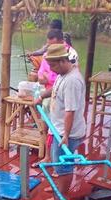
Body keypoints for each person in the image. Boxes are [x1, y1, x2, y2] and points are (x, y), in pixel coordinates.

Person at [34, 44, 86, 200]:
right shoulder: (62, 75)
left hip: (66, 133)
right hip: (57, 128)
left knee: (63, 165)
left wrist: (65, 135)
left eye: (54, 65)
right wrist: (42, 95)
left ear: (63, 61)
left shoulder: (72, 81)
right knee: (57, 162)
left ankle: (60, 198)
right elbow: (55, 90)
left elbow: (70, 111)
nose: (52, 70)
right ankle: (59, 188)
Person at [31, 29, 78, 170]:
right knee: (48, 128)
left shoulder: (71, 57)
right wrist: (41, 93)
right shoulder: (48, 56)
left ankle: (60, 167)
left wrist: (48, 78)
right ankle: (48, 157)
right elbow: (41, 75)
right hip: (50, 93)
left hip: (61, 100)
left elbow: (70, 110)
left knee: (60, 134)